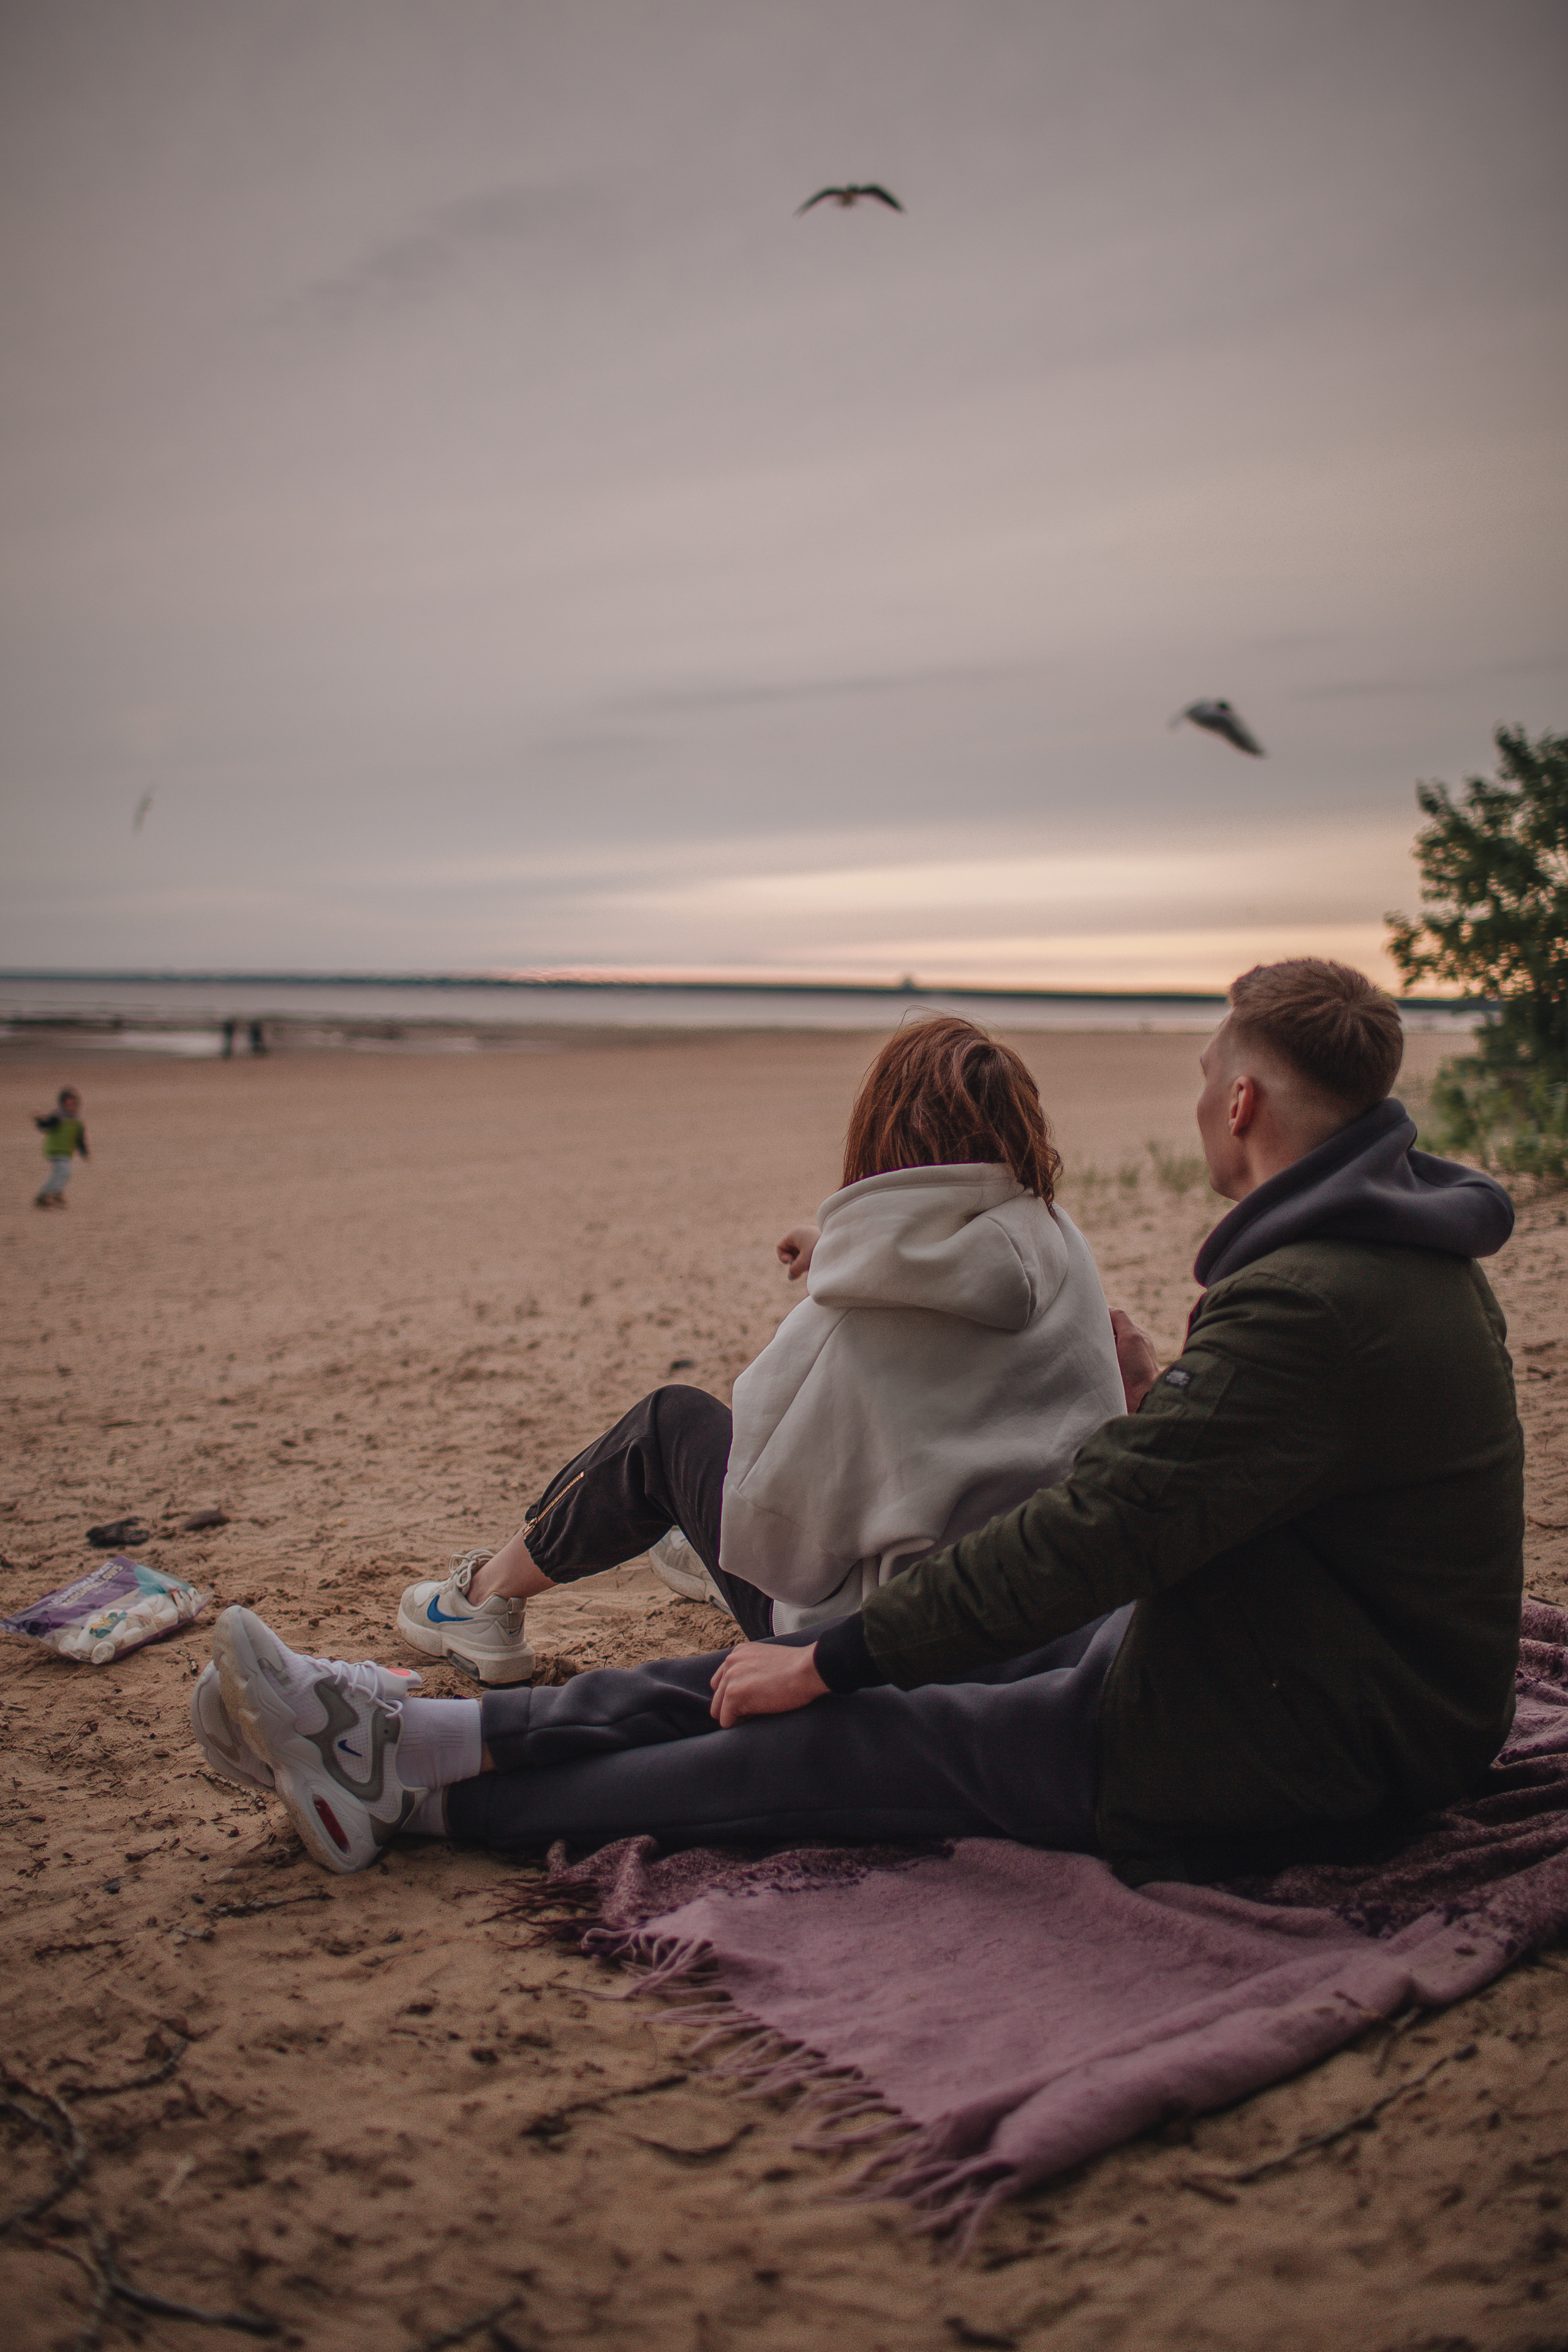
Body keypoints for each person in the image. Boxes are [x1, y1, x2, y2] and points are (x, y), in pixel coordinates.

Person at [197, 960, 1524, 1888]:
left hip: (1298, 1742)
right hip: (1290, 1662)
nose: (1196, 1104)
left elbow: (1100, 1526)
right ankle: (420, 1734)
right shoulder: (1389, 1268)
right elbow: (1247, 1473)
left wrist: (834, 1659)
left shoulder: (1310, 1302)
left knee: (846, 1724)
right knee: (767, 1677)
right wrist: (1164, 1391)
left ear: (1240, 1102)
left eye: (1203, 1077)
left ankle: (416, 1799)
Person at [391, 1015, 1124, 1683]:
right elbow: (948, 1263)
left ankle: (480, 1599)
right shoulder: (1058, 1248)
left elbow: (786, 1548)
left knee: (666, 1428)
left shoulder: (853, 1330)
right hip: (1039, 1611)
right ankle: (684, 1553)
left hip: (875, 1647)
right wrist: (836, 1249)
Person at [34, 1087, 88, 1208]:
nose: (71, 1106)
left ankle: (48, 1194)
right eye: (68, 1104)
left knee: (59, 1173)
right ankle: (53, 1194)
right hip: (55, 1149)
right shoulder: (58, 1116)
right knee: (64, 1170)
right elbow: (45, 1126)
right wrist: (39, 1120)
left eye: (74, 1104)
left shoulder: (78, 1121)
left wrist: (84, 1152)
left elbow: (79, 1138)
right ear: (63, 1104)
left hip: (65, 1151)